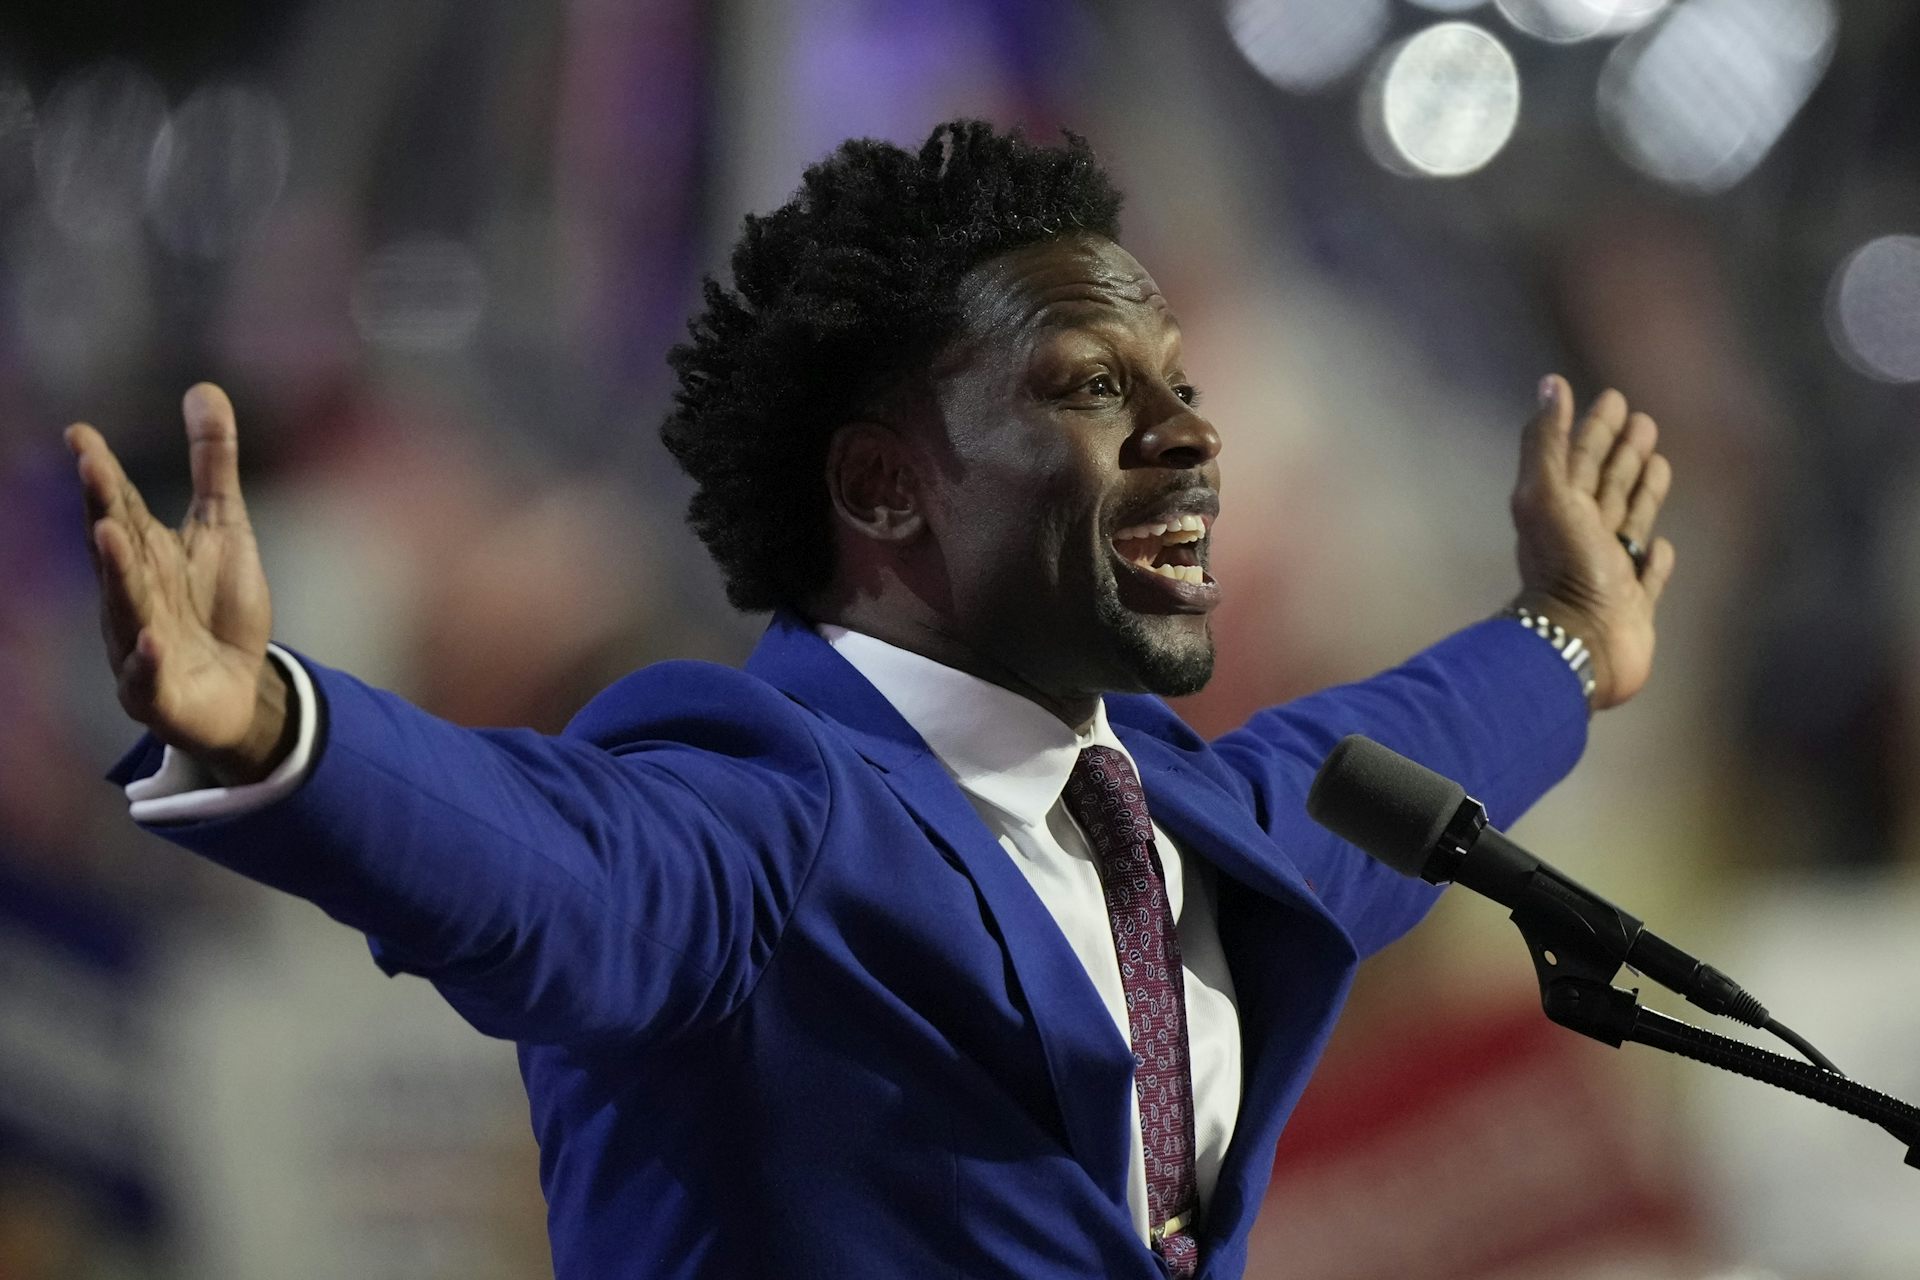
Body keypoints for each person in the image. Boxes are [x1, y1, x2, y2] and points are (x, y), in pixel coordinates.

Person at [64, 121, 1673, 1279]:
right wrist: (274, 731)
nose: (1190, 432)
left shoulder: (1184, 820)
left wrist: (1568, 635)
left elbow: (1384, 761)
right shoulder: (760, 821)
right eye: (1091, 389)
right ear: (888, 487)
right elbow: (546, 864)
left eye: (1175, 379)